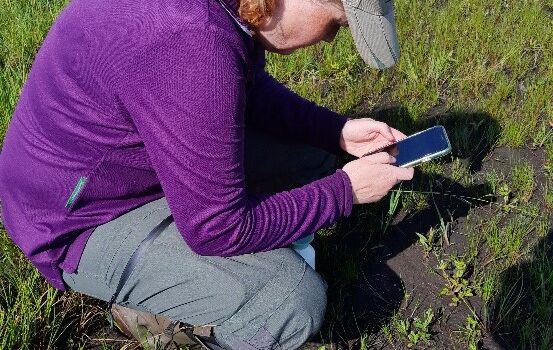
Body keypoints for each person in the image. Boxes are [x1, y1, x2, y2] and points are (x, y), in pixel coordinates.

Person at [0, 0, 414, 348]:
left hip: (118, 164)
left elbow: (244, 86)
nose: (328, 38)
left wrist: (336, 133)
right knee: (289, 300)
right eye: (335, 23)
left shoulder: (220, 16)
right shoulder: (192, 39)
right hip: (77, 220)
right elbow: (217, 228)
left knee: (316, 158)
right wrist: (345, 192)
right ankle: (159, 316)